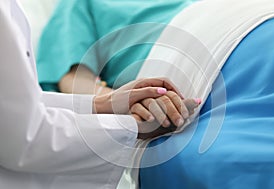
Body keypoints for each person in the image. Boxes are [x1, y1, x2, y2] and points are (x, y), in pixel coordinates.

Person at [0, 0, 200, 188]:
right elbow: (72, 79)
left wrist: (109, 103)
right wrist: (128, 114)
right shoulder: (80, 4)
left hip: (223, 28)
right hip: (182, 70)